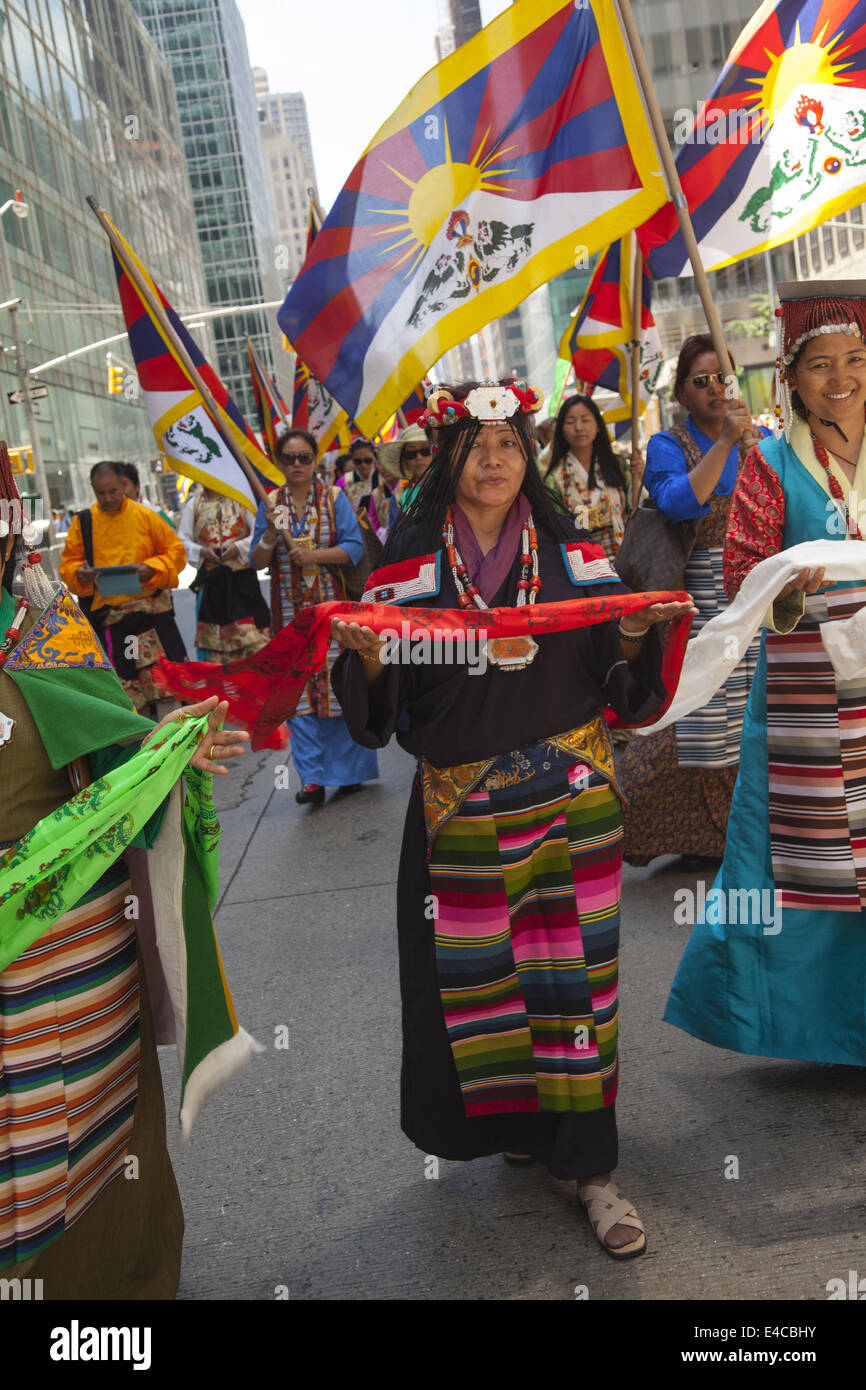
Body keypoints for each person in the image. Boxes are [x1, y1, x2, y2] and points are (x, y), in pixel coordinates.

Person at [330, 380, 695, 1258]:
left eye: (507, 443)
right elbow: (374, 709)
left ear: (526, 458)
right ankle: (530, 1128)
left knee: (579, 993)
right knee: (482, 991)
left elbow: (626, 682)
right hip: (461, 815)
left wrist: (639, 635)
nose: (493, 460)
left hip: (573, 805)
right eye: (474, 444)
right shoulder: (400, 577)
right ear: (444, 459)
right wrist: (374, 664)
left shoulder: (579, 561)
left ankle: (596, 1173)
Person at [0, 442, 251, 1295]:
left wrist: (175, 752)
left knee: (99, 1157)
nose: (104, 495)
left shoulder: (40, 630)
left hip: (73, 964)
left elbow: (117, 756)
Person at [665, 281, 866, 1067]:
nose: (840, 378)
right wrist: (786, 589)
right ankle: (809, 1026)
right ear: (791, 374)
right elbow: (743, 572)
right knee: (798, 870)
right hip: (804, 706)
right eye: (820, 364)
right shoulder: (770, 463)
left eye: (855, 359)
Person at [616, 335, 763, 865]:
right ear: (682, 392)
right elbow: (677, 504)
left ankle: (739, 830)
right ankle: (681, 830)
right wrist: (724, 443)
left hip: (753, 592)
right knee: (699, 712)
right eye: (701, 381)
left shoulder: (758, 438)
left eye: (722, 377)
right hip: (698, 596)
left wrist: (754, 447)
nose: (715, 389)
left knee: (752, 714)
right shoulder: (668, 445)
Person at [250, 427, 378, 805]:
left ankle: (351, 773)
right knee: (299, 696)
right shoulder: (272, 502)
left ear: (314, 460)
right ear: (278, 462)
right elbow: (257, 560)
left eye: (304, 457)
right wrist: (272, 535)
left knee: (341, 689)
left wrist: (314, 556)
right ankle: (312, 778)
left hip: (334, 613)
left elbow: (354, 548)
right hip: (290, 615)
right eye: (288, 458)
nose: (297, 465)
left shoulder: (334, 497)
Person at [59, 460, 188, 713]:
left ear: (124, 485)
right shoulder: (83, 522)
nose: (107, 498)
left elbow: (176, 552)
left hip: (151, 620)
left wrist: (151, 567)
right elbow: (68, 565)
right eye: (100, 493)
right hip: (113, 622)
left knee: (166, 696)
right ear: (93, 490)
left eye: (113, 491)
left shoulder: (146, 516)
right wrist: (80, 574)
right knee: (127, 702)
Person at [177, 483, 270, 663]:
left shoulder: (242, 500)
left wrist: (238, 547)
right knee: (215, 654)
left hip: (243, 584)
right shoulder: (194, 505)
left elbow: (258, 534)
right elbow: (182, 540)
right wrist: (202, 551)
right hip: (212, 587)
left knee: (256, 648)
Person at [544, 395, 628, 558]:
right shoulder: (555, 479)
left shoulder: (619, 466)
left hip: (624, 556)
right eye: (570, 422)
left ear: (597, 425)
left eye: (585, 420)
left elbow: (634, 509)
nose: (579, 427)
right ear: (561, 429)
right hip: (582, 562)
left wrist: (641, 474)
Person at [379, 423, 434, 531]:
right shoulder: (399, 499)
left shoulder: (451, 487)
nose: (419, 457)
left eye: (425, 451)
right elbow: (397, 539)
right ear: (405, 461)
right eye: (411, 453)